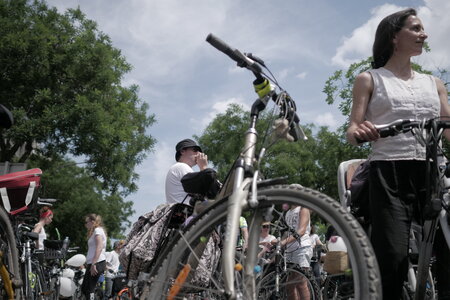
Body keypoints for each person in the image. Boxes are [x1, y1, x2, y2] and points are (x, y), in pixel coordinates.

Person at [346, 8, 450, 299]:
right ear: (394, 36)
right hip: (389, 173)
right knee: (391, 259)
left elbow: (448, 129)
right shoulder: (369, 79)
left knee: (448, 253)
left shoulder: (435, 84)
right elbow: (352, 130)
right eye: (416, 28)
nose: (424, 34)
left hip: (433, 173)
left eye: (423, 29)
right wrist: (361, 132)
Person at [280, 205, 312, 300]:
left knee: (301, 283)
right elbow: (287, 233)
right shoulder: (288, 213)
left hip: (302, 247)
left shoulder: (303, 208)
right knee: (289, 286)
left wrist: (283, 242)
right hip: (290, 250)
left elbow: (301, 231)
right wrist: (278, 242)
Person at [165, 138, 209, 204]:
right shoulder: (181, 166)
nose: (199, 153)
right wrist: (203, 167)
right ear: (182, 151)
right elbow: (205, 191)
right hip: (186, 212)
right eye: (195, 150)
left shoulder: (178, 167)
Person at [81, 214, 107, 300]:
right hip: (92, 262)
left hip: (97, 262)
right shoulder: (95, 231)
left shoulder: (98, 230)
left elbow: (99, 247)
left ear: (92, 222)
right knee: (85, 288)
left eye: (86, 222)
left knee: (89, 289)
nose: (85, 224)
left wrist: (94, 264)